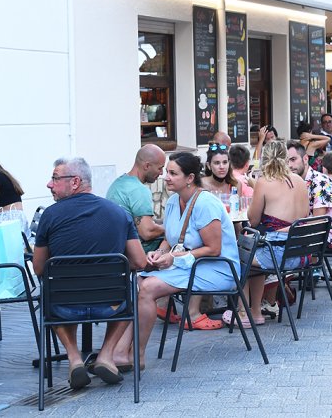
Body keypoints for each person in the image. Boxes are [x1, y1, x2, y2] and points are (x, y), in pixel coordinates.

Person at [111, 152, 239, 373]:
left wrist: (174, 257)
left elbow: (214, 249)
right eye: (167, 172)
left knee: (148, 287)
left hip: (217, 269)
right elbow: (169, 240)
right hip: (191, 265)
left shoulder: (205, 203)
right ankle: (123, 350)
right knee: (140, 281)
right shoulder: (173, 201)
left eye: (172, 173)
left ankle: (136, 353)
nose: (166, 177)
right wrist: (159, 254)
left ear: (190, 178)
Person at [31, 157, 146, 389]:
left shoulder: (50, 216)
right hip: (112, 304)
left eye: (55, 178)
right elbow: (139, 262)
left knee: (53, 293)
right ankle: (105, 355)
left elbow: (39, 268)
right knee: (132, 291)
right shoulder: (118, 213)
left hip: (63, 306)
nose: (49, 184)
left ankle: (74, 358)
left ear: (75, 182)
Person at [241, 141, 309, 326]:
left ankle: (244, 312)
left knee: (240, 253)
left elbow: (253, 221)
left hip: (279, 254)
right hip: (302, 253)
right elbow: (303, 217)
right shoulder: (300, 181)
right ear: (286, 157)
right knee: (256, 252)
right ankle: (255, 312)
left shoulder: (264, 182)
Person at [286, 141, 332, 279]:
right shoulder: (293, 181)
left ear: (305, 159)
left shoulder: (320, 182)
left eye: (293, 159)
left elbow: (318, 222)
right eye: (287, 161)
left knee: (276, 242)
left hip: (328, 235)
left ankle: (284, 278)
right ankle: (281, 281)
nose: (289, 165)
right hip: (308, 231)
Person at [106, 144, 166, 254]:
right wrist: (172, 228)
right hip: (135, 254)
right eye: (160, 168)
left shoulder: (118, 183)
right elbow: (147, 232)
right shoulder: (139, 190)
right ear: (147, 166)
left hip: (117, 248)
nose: (162, 173)